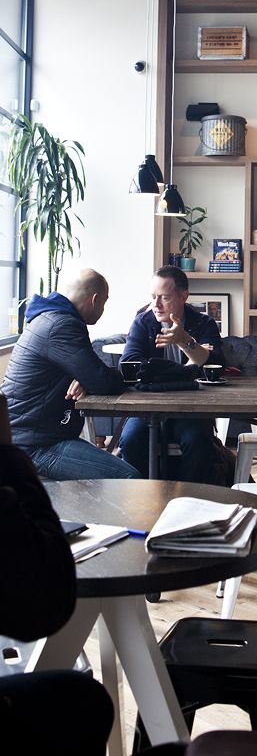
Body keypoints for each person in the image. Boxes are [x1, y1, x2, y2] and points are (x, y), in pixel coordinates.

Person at [0, 393, 114, 754]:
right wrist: (6, 457)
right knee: (82, 703)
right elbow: (43, 606)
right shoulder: (62, 331)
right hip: (39, 443)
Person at [1, 269, 140, 479]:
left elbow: (88, 373)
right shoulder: (63, 325)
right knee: (131, 480)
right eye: (103, 303)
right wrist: (97, 377)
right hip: (34, 445)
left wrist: (84, 378)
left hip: (28, 435)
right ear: (95, 299)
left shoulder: (46, 317)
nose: (102, 309)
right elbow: (102, 381)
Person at [119, 265, 230, 482]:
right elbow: (131, 364)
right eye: (153, 297)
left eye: (164, 297)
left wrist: (184, 340)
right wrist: (188, 365)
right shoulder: (143, 322)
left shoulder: (202, 322)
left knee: (198, 441)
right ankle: (145, 500)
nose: (156, 304)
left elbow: (216, 365)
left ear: (183, 296)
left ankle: (187, 502)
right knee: (130, 440)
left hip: (191, 406)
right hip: (147, 405)